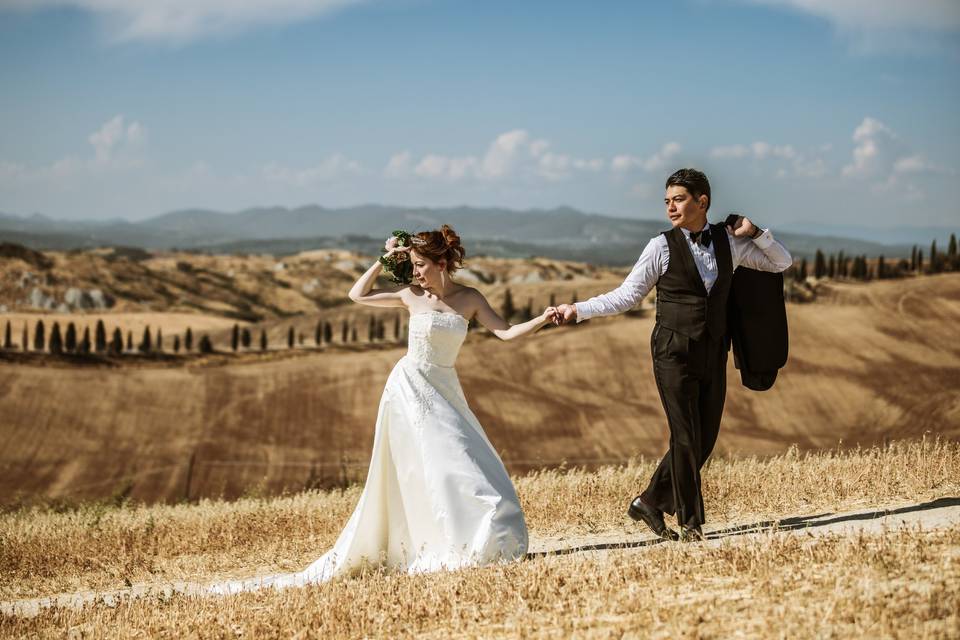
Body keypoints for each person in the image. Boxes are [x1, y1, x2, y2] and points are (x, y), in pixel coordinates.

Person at [209, 225, 555, 594]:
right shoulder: (410, 295)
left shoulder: (469, 298)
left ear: (441, 263)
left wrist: (544, 319)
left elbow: (506, 332)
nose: (416, 272)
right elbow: (356, 294)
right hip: (409, 388)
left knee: (461, 458)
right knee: (433, 462)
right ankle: (447, 540)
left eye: (421, 265)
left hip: (444, 388)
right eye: (414, 265)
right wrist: (384, 259)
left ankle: (480, 534)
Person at [553, 168, 793, 541]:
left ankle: (649, 501)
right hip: (672, 352)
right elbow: (627, 296)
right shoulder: (660, 246)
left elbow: (781, 262)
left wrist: (756, 232)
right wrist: (578, 310)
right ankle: (691, 523)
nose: (670, 207)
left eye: (678, 199)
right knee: (684, 435)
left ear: (703, 202)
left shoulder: (729, 243)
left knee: (705, 437)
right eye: (666, 201)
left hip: (713, 349)